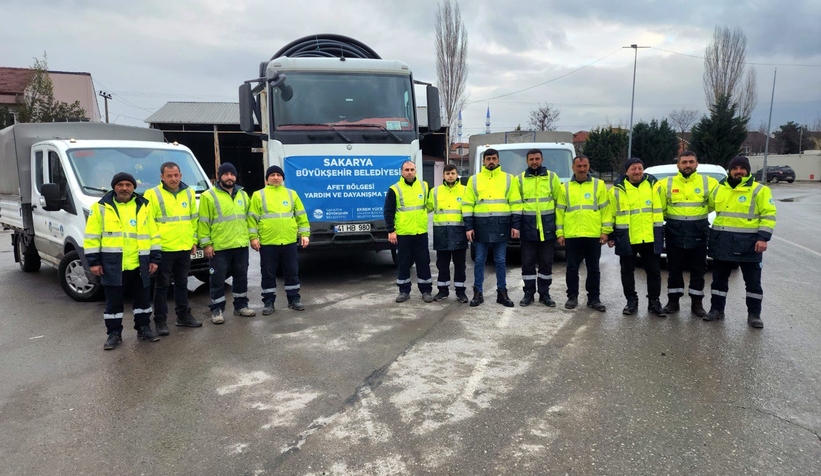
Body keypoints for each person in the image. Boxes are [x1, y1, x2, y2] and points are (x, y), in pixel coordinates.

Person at [83, 172, 162, 350]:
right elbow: (91, 237)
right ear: (114, 187)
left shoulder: (144, 207)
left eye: (128, 185)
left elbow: (154, 235)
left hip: (139, 263)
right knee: (113, 303)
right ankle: (114, 334)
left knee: (142, 301)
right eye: (120, 185)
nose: (124, 188)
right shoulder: (100, 207)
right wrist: (94, 262)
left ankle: (143, 328)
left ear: (134, 187)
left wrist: (155, 259)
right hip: (113, 264)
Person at [705, 156, 776, 328]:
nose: (738, 171)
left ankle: (754, 314)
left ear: (748, 170)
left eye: (742, 168)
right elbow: (706, 207)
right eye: (735, 168)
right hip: (723, 242)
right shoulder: (719, 189)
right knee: (718, 281)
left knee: (752, 283)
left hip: (749, 245)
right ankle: (716, 310)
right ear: (730, 170)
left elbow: (768, 215)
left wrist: (763, 238)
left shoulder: (760, 190)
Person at [656, 150, 720, 317]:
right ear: (678, 164)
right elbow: (662, 208)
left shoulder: (709, 182)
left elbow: (713, 205)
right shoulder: (665, 183)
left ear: (696, 163)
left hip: (698, 232)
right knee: (674, 268)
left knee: (698, 269)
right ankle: (673, 302)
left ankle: (697, 304)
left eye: (691, 162)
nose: (688, 165)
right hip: (674, 231)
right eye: (684, 162)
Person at [144, 162, 202, 335]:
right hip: (164, 248)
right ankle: (160, 321)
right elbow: (149, 223)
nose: (173, 179)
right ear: (162, 177)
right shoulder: (152, 194)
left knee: (182, 284)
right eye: (169, 175)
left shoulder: (189, 192)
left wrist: (193, 240)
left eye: (176, 175)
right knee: (162, 286)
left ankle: (183, 316)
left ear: (181, 175)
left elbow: (194, 219)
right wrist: (154, 248)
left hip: (184, 246)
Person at [462, 148, 522, 307]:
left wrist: (516, 225)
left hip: (501, 224)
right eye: (488, 159)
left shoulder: (509, 179)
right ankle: (478, 293)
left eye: (494, 158)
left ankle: (502, 293)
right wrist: (468, 227)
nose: (491, 161)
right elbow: (467, 204)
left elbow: (516, 203)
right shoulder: (474, 180)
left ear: (498, 160)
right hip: (480, 226)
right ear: (483, 161)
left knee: (501, 260)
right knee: (480, 260)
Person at [248, 165, 310, 314]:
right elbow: (252, 219)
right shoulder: (258, 195)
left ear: (283, 178)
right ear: (267, 179)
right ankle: (269, 302)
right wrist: (253, 238)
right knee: (268, 274)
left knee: (292, 272)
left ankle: (294, 299)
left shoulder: (291, 194)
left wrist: (305, 234)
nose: (276, 177)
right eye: (272, 175)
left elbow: (301, 215)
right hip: (268, 242)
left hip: (288, 241)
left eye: (278, 175)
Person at [198, 162, 255, 324]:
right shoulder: (208, 196)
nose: (229, 177)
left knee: (241, 277)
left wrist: (252, 238)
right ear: (219, 176)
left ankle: (241, 306)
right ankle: (217, 309)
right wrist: (206, 244)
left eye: (232, 174)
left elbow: (249, 220)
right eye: (226, 174)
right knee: (217, 279)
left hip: (240, 245)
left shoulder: (243, 195)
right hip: (219, 246)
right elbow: (203, 222)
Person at [608, 158, 666, 317]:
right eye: (633, 169)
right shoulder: (616, 190)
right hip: (627, 237)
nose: (637, 171)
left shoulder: (655, 187)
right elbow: (610, 214)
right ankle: (631, 301)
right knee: (627, 271)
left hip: (650, 237)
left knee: (654, 271)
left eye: (640, 168)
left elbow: (664, 207)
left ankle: (654, 302)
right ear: (626, 172)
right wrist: (610, 234)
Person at [556, 155, 613, 312]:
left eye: (585, 166)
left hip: (593, 235)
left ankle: (594, 298)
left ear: (589, 167)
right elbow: (560, 212)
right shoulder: (564, 187)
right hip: (572, 235)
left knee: (593, 269)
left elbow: (605, 210)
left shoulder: (599, 185)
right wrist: (560, 233)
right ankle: (572, 297)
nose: (582, 169)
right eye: (579, 166)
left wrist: (605, 231)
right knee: (572, 268)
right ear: (573, 168)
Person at [517, 148, 562, 307]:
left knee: (546, 264)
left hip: (548, 229)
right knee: (527, 264)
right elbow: (517, 205)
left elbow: (559, 204)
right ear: (527, 161)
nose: (534, 162)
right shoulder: (520, 179)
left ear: (542, 160)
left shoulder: (552, 178)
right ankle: (528, 293)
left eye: (537, 159)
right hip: (528, 229)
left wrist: (559, 230)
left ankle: (544, 293)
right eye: (531, 159)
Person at [385, 160, 433, 303]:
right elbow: (388, 212)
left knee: (423, 262)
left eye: (412, 169)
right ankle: (404, 291)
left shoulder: (424, 186)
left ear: (416, 171)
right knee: (404, 263)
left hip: (420, 232)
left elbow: (429, 206)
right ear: (402, 172)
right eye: (407, 170)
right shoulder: (395, 189)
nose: (410, 172)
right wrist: (391, 231)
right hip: (403, 233)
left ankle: (426, 291)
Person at [427, 164, 469, 303]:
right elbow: (426, 208)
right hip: (442, 233)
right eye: (447, 173)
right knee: (442, 265)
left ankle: (460, 292)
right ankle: (442, 291)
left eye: (453, 173)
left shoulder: (465, 190)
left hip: (459, 233)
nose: (450, 176)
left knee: (460, 265)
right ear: (443, 175)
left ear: (457, 175)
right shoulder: (435, 191)